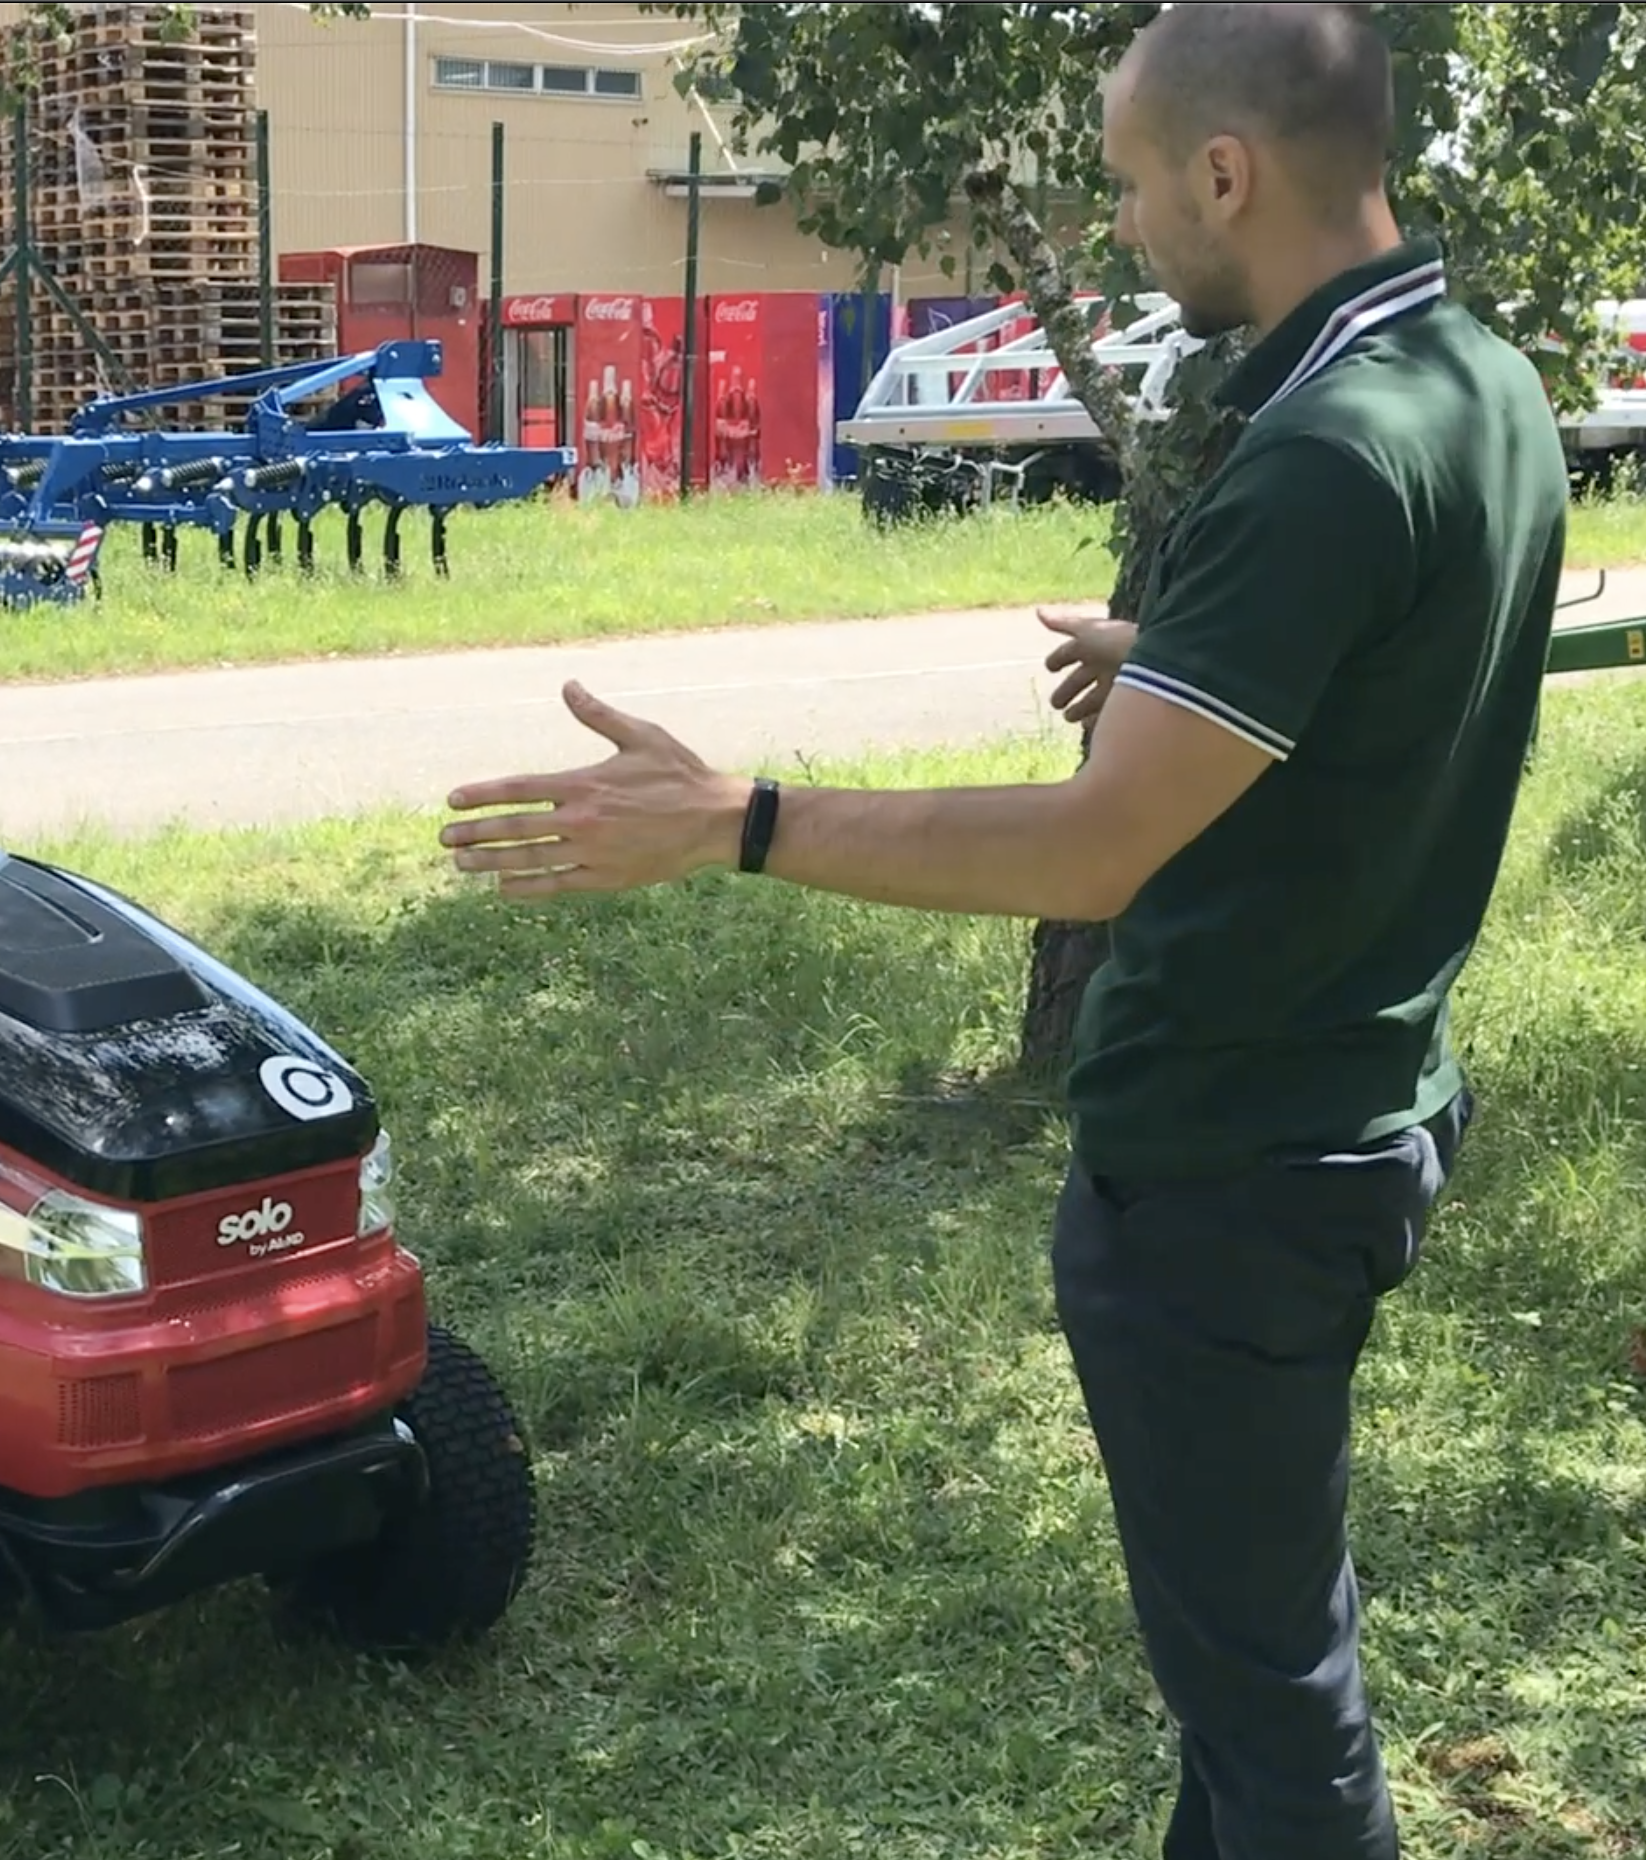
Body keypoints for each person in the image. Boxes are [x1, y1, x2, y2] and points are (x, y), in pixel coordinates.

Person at [438, 7, 1569, 1858]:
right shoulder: (1472, 381)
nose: (1120, 226)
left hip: (1229, 1172)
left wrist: (741, 822)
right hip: (1355, 1112)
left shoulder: (1322, 454)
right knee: (1252, 1663)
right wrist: (1189, 670)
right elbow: (1397, 664)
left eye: (1128, 186)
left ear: (1227, 171)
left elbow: (1094, 851)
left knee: (1283, 1726)